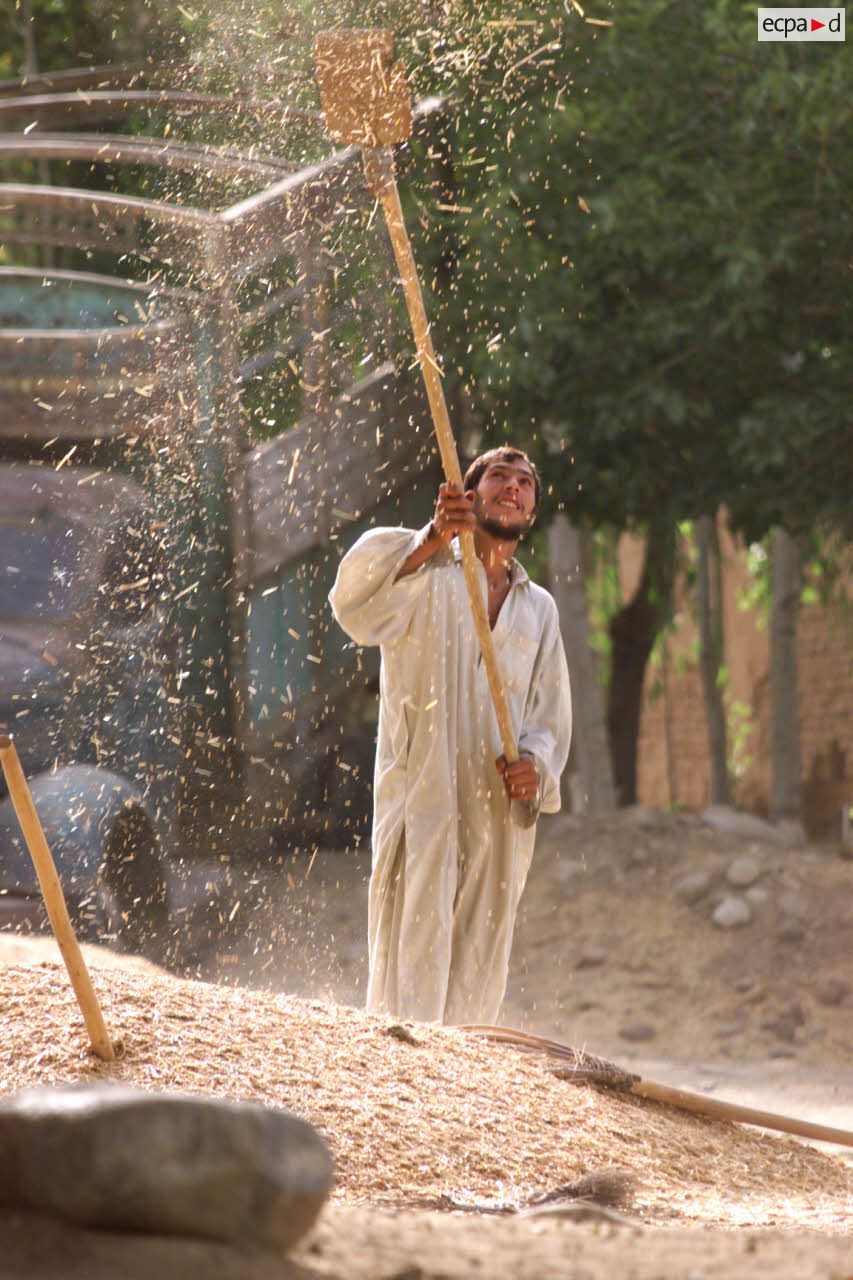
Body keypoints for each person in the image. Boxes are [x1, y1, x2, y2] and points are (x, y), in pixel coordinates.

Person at [328, 446, 572, 1024]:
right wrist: (433, 537)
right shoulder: (425, 570)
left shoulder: (539, 611)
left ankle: (460, 1088)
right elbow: (355, 605)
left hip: (494, 812)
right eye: (497, 477)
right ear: (469, 494)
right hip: (424, 797)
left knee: (479, 960)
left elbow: (550, 713)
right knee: (413, 945)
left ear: (533, 509)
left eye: (524, 482)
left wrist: (534, 766)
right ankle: (403, 1082)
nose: (511, 487)